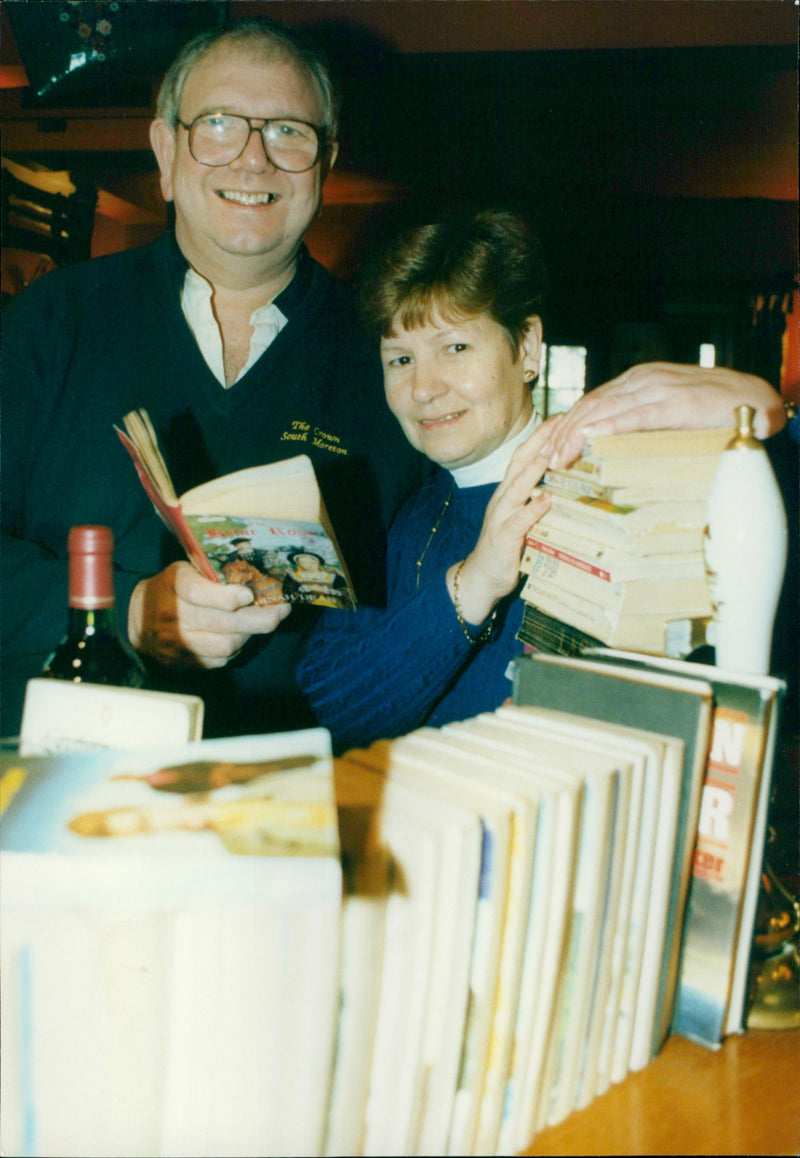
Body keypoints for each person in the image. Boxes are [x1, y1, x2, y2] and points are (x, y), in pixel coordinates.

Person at [0, 17, 426, 738]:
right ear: (166, 152)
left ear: (323, 163)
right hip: (43, 786)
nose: (254, 160)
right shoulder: (49, 323)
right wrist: (132, 613)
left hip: (283, 799)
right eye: (220, 123)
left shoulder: (391, 357)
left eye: (289, 130)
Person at [296, 210, 788, 754]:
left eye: (456, 348)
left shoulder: (606, 488)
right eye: (401, 359)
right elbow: (330, 705)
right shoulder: (413, 511)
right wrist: (471, 585)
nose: (424, 388)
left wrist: (761, 412)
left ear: (527, 348)